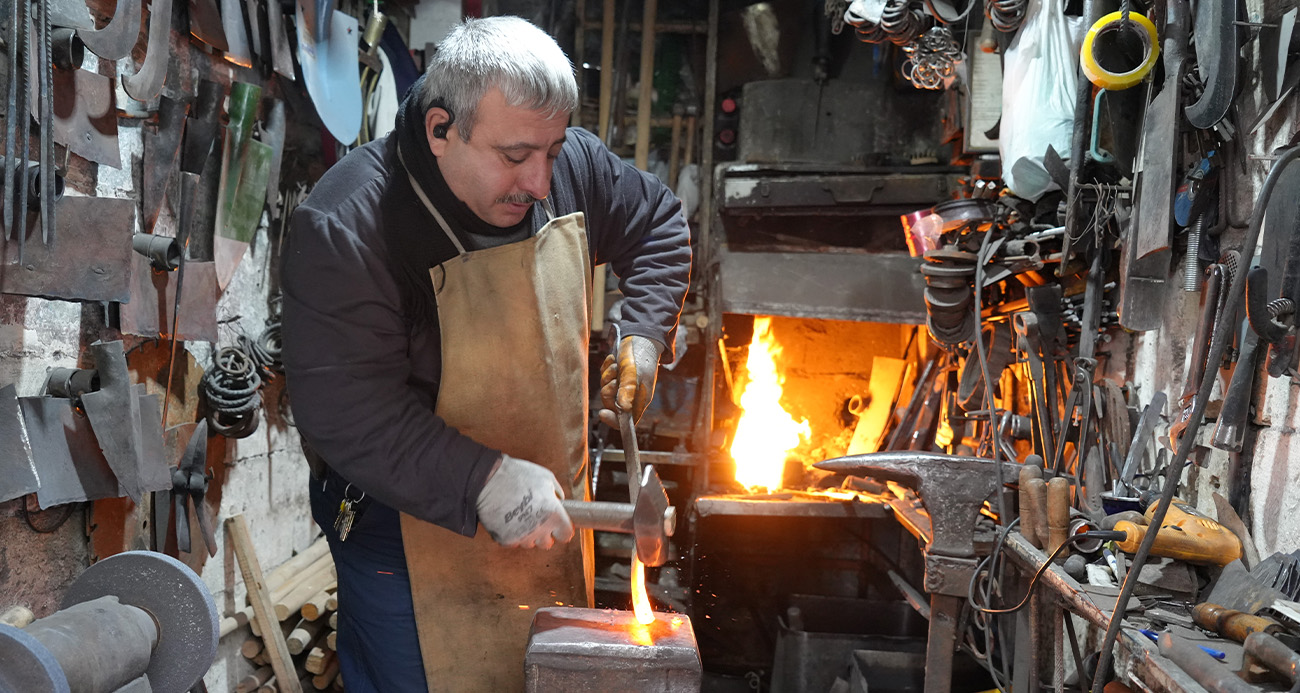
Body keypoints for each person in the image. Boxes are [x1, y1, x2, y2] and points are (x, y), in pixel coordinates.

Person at [280, 15, 691, 693]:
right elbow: (349, 414)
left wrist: (643, 333)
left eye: (552, 151)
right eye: (514, 155)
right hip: (404, 532)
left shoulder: (568, 167)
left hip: (548, 514)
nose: (539, 181)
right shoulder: (348, 225)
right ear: (442, 130)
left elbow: (655, 224)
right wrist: (483, 479)